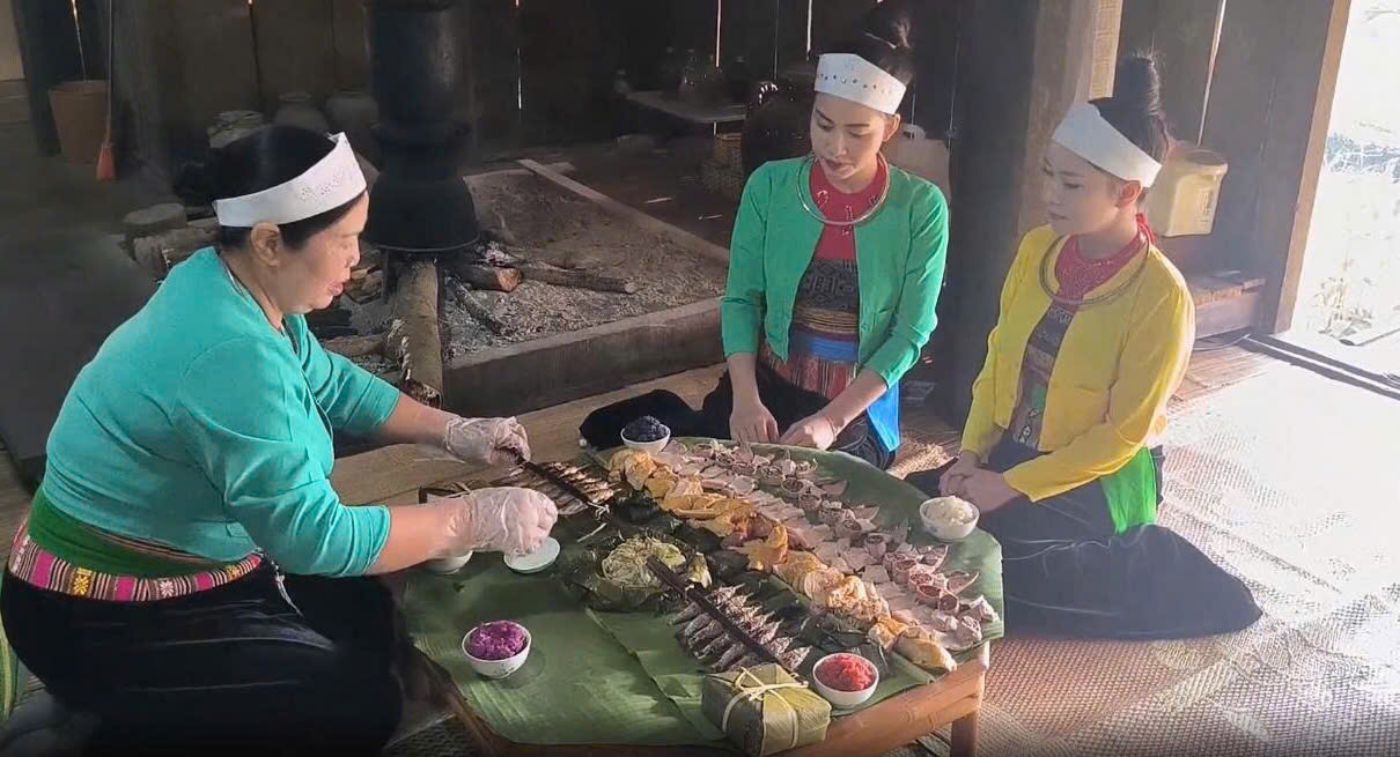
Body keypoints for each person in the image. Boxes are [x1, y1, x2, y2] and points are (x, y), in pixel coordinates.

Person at [0, 126, 558, 752]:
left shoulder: (227, 284)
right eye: (345, 241)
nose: (359, 258)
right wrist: (470, 520)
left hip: (186, 561)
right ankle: (96, 726)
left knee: (371, 615)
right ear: (270, 242)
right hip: (97, 613)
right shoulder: (231, 352)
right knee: (356, 706)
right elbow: (312, 537)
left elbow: (335, 385)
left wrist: (455, 433)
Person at [907, 56, 1260, 639]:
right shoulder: (1038, 249)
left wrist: (1012, 486)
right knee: (915, 518)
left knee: (999, 567)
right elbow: (999, 360)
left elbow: (1124, 435)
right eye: (1049, 174)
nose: (1050, 194)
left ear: (1127, 191)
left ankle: (1148, 559)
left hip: (1100, 476)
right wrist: (971, 457)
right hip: (1017, 451)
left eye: (1070, 184)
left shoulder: (1161, 297)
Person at [695, 15, 949, 470]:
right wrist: (746, 398)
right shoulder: (770, 187)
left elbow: (912, 332)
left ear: (890, 128)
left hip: (856, 406)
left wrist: (831, 421)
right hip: (770, 384)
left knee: (816, 491)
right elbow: (741, 300)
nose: (835, 147)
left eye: (857, 133)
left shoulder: (921, 208)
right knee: (694, 470)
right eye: (824, 123)